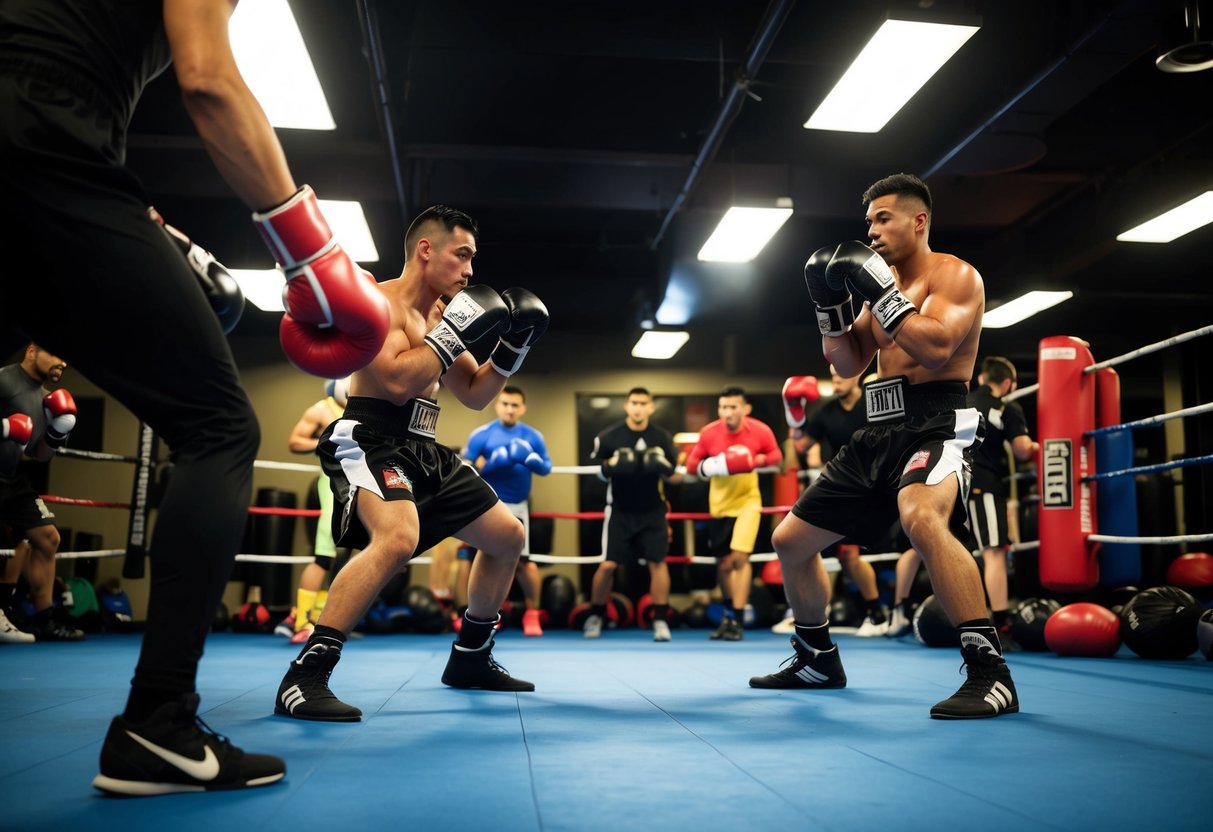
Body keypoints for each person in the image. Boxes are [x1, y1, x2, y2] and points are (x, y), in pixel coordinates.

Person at [1, 0, 393, 794]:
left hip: (48, 151)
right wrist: (308, 248)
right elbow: (209, 79)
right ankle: (160, 722)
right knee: (218, 424)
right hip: (44, 139)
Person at [751, 172, 1019, 719]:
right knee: (791, 541)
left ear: (919, 220)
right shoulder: (882, 290)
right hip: (877, 430)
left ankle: (992, 674)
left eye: (882, 218)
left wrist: (880, 294)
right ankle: (816, 657)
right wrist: (828, 308)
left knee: (921, 515)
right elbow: (849, 362)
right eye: (867, 221)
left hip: (937, 420)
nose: (870, 231)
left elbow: (937, 347)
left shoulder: (956, 275)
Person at [274, 204, 550, 722]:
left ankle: (470, 657)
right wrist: (453, 337)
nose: (470, 270)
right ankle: (305, 675)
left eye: (473, 259)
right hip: (371, 437)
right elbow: (398, 383)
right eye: (461, 255)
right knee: (398, 538)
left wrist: (512, 350)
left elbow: (472, 393)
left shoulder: (444, 314)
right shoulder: (375, 303)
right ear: (427, 250)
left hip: (424, 447)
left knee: (508, 537)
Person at [780, 366, 892, 636]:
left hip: (877, 484)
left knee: (851, 555)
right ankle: (818, 616)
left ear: (857, 376)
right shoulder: (826, 413)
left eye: (843, 374)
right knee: (826, 551)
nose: (838, 379)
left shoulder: (871, 402)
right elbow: (798, 449)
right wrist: (793, 417)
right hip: (845, 485)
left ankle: (877, 614)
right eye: (833, 377)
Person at [683, 386, 782, 641]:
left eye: (733, 407)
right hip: (720, 505)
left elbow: (776, 456)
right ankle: (730, 614)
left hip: (748, 502)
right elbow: (691, 466)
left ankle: (737, 617)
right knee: (724, 564)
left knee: (739, 558)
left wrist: (753, 461)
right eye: (724, 407)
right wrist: (715, 464)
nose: (728, 412)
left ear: (745, 409)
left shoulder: (759, 430)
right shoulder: (709, 433)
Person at [0, 344, 82, 642]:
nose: (63, 361)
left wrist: (57, 432)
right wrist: (5, 427)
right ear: (32, 351)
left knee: (48, 537)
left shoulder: (45, 399)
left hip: (11, 476)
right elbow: (13, 430)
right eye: (57, 353)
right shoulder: (5, 380)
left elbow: (39, 454)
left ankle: (45, 618)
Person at [584, 387, 681, 641]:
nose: (638, 408)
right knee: (607, 565)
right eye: (634, 403)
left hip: (653, 511)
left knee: (658, 563)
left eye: (643, 403)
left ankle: (660, 620)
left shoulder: (661, 437)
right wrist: (611, 466)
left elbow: (677, 476)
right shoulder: (609, 436)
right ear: (626, 406)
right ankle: (596, 614)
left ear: (651, 407)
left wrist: (664, 466)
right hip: (620, 510)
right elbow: (593, 472)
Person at [463, 385, 552, 636]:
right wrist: (492, 464)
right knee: (484, 560)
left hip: (519, 505)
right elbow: (466, 469)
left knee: (524, 563)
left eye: (515, 405)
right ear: (497, 405)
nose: (510, 410)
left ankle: (532, 613)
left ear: (522, 408)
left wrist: (531, 460)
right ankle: (487, 616)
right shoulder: (483, 435)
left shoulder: (533, 436)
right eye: (505, 404)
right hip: (488, 506)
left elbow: (546, 467)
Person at [966, 356, 1038, 649]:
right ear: (1007, 384)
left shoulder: (963, 400)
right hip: (984, 482)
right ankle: (999, 625)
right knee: (994, 551)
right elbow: (1021, 451)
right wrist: (1043, 446)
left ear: (983, 378)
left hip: (950, 481)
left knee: (959, 551)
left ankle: (966, 621)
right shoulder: (1007, 406)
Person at [276, 376, 352, 644]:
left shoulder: (356, 413)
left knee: (338, 556)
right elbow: (295, 441)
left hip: (355, 487)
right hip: (332, 486)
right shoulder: (322, 409)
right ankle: (301, 621)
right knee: (323, 553)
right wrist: (323, 443)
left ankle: (317, 618)